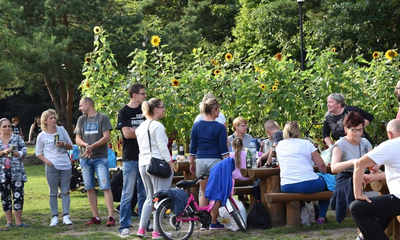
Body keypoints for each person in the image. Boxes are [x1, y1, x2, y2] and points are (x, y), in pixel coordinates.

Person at [349, 119, 400, 240]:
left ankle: (362, 238)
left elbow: (359, 164)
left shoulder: (392, 144)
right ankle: (362, 238)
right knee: (384, 208)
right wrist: (373, 177)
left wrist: (358, 194)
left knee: (356, 208)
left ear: (389, 134)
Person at [135, 98, 174, 239]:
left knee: (149, 198)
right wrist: (170, 162)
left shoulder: (140, 127)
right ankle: (157, 231)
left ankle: (141, 229)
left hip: (143, 163)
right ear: (156, 109)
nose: (164, 109)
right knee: (160, 198)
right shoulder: (157, 126)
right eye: (162, 107)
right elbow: (162, 146)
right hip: (157, 164)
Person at [276, 121, 329, 225]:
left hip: (287, 185)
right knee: (328, 184)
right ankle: (321, 218)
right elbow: (321, 165)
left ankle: (299, 217)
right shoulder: (306, 143)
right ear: (298, 132)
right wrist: (324, 174)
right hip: (308, 183)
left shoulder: (279, 145)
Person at [189, 97, 229, 230]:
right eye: (218, 109)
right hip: (215, 160)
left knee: (203, 191)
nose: (219, 113)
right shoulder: (219, 127)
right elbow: (223, 149)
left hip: (200, 160)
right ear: (214, 110)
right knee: (215, 191)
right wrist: (228, 163)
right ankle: (213, 221)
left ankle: (203, 223)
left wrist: (191, 162)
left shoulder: (197, 125)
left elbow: (193, 145)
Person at [74, 97, 115, 227]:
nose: (79, 108)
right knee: (89, 188)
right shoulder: (81, 120)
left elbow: (106, 137)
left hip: (100, 158)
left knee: (105, 187)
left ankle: (110, 216)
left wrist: (93, 147)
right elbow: (77, 139)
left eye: (81, 105)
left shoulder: (102, 118)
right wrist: (87, 145)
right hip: (85, 159)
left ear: (88, 104)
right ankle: (95, 216)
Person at [330, 112, 373, 223]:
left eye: (360, 130)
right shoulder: (340, 144)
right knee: (352, 183)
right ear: (346, 129)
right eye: (354, 130)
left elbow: (373, 161)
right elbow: (334, 168)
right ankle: (361, 214)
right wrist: (353, 162)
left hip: (365, 175)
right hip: (346, 176)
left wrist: (375, 167)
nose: (358, 133)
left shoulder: (365, 142)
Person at [116, 83, 147, 238]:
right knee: (127, 192)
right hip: (130, 157)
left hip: (145, 156)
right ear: (134, 95)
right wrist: (143, 131)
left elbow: (151, 129)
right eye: (142, 93)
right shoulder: (124, 112)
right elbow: (127, 134)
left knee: (143, 192)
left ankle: (144, 225)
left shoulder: (145, 110)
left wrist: (137, 131)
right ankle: (124, 226)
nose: (145, 96)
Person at [35, 109, 74, 226]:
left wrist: (63, 144)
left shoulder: (62, 130)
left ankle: (66, 216)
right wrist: (48, 162)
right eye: (51, 118)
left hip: (65, 164)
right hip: (52, 165)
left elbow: (71, 145)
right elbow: (38, 153)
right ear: (45, 121)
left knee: (65, 191)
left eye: (54, 117)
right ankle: (54, 216)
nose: (53, 120)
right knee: (53, 192)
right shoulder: (42, 135)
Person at [0, 118, 29, 228]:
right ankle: (9, 222)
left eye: (9, 126)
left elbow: (24, 151)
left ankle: (18, 222)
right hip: (2, 173)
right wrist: (3, 152)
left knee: (18, 196)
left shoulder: (17, 138)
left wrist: (15, 153)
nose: (7, 128)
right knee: (5, 197)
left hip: (17, 172)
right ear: (0, 128)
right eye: (4, 126)